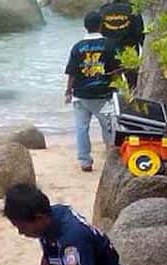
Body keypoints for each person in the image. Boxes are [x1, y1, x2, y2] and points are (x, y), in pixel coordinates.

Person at [65, 11, 118, 173]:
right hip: (104, 95)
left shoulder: (77, 47)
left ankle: (85, 162)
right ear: (101, 25)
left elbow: (72, 72)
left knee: (81, 129)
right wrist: (120, 88)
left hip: (81, 95)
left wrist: (68, 91)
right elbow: (116, 70)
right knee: (109, 128)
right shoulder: (109, 45)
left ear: (85, 27)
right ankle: (112, 157)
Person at [97, 0, 145, 88]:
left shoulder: (104, 10)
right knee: (133, 85)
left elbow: (100, 31)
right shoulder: (133, 9)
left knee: (113, 85)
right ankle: (131, 99)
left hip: (110, 52)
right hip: (130, 52)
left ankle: (115, 100)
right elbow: (140, 33)